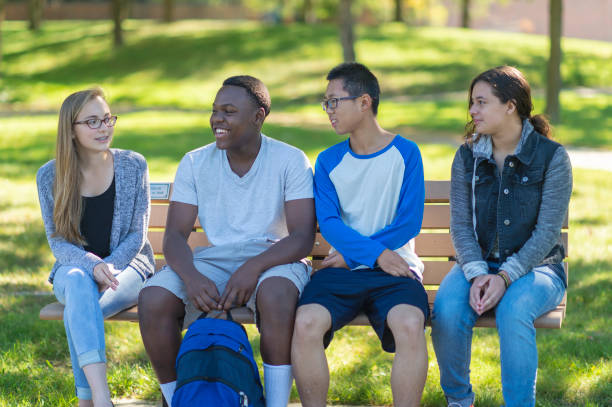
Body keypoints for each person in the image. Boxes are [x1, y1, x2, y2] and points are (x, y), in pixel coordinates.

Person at [137, 75, 316, 407]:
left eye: (229, 111)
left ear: (258, 116)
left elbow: (302, 237)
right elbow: (175, 236)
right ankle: (181, 400)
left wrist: (253, 268)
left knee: (276, 295)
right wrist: (191, 277)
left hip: (274, 256)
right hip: (214, 258)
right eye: (215, 110)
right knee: (152, 298)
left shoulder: (290, 160)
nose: (217, 119)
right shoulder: (195, 161)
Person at [430, 66, 572, 407]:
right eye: (472, 103)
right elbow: (461, 226)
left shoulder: (552, 157)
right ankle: (459, 401)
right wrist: (480, 273)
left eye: (481, 102)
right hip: (476, 263)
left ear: (510, 106)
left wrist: (505, 276)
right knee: (447, 310)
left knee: (513, 309)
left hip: (538, 268)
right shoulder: (467, 156)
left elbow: (548, 232)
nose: (472, 111)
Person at [291, 62, 429, 407]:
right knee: (306, 322)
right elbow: (331, 223)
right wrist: (370, 255)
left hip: (396, 269)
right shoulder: (327, 161)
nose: (328, 111)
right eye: (326, 103)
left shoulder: (406, 153)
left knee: (410, 324)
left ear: (364, 102)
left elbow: (408, 222)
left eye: (334, 101)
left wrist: (363, 254)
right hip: (342, 273)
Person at [36, 88, 155, 407]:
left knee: (80, 308)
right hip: (74, 270)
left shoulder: (133, 165)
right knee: (78, 284)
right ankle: (102, 399)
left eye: (107, 118)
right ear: (70, 130)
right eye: (92, 122)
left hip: (128, 269)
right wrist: (92, 266)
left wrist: (109, 267)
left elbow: (137, 234)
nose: (104, 127)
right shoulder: (49, 176)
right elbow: (58, 241)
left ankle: (87, 401)